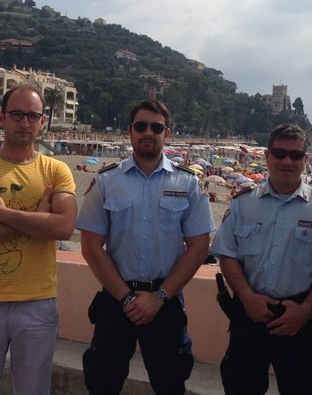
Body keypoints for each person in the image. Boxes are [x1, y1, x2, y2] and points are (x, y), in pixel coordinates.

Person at [76, 99, 215, 394]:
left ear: (168, 132)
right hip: (115, 300)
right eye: (141, 126)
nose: (148, 132)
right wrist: (126, 297)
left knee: (170, 384)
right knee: (102, 382)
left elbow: (199, 247)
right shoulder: (106, 182)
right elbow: (90, 246)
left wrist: (160, 296)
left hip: (166, 301)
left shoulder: (188, 183)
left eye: (156, 127)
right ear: (130, 131)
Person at [211, 123, 312, 394]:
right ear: (267, 157)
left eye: (296, 155)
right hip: (249, 314)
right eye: (279, 153)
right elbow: (227, 254)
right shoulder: (242, 203)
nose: (287, 161)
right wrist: (245, 296)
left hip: (299, 319)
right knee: (240, 386)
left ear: (306, 159)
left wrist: (306, 310)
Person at [0, 85, 78, 394]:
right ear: (1, 118)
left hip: (38, 304)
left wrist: (1, 214)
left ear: (43, 121)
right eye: (17, 114)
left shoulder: (56, 170)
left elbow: (64, 227)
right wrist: (37, 219)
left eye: (32, 116)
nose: (25, 122)